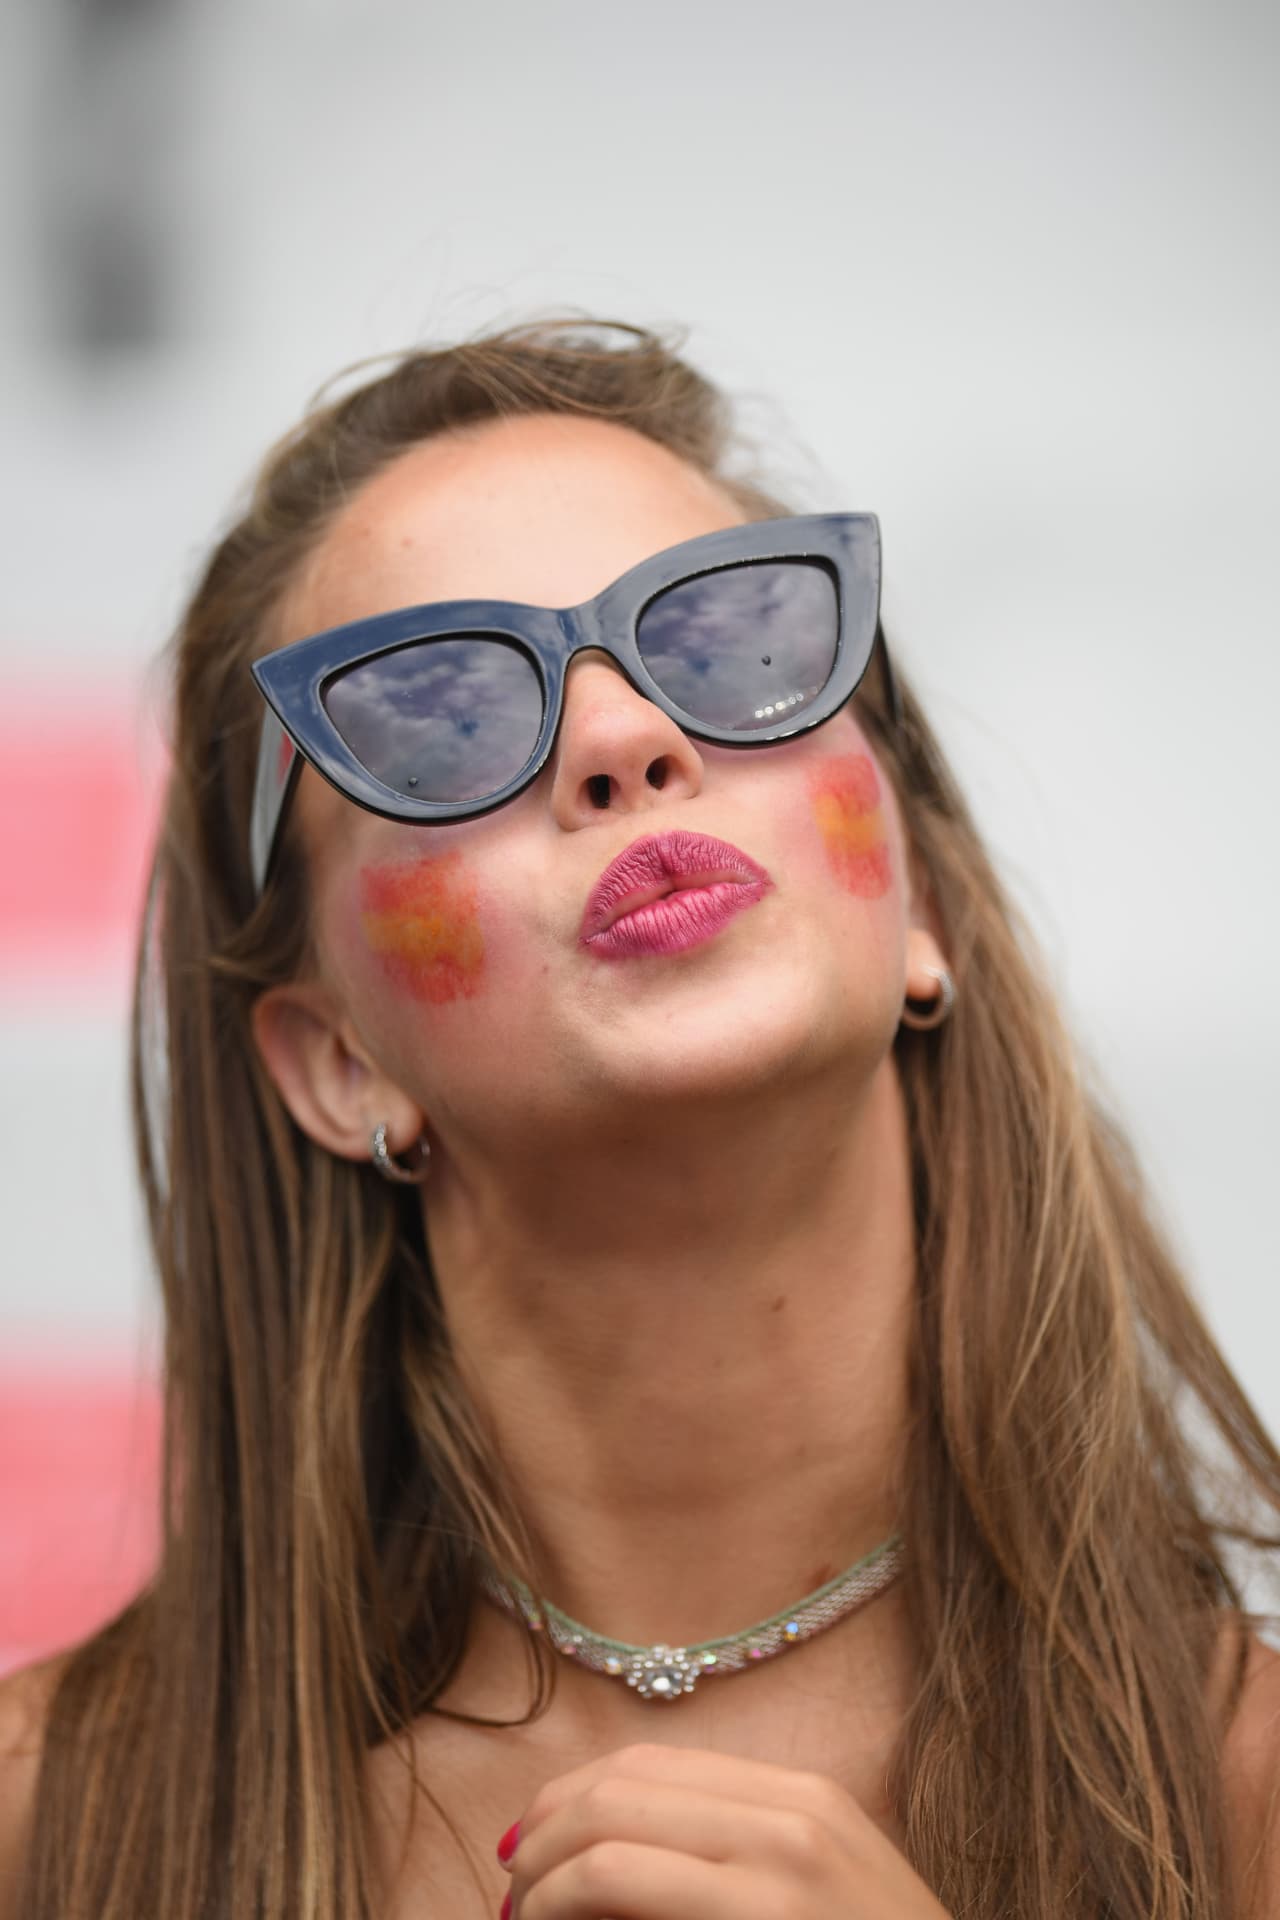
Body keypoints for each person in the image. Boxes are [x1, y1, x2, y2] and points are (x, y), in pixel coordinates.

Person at [2, 318, 1278, 1920]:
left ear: (927, 907)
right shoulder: (44, 1829)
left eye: (736, 645)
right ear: (337, 1062)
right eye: (444, 716)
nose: (622, 739)